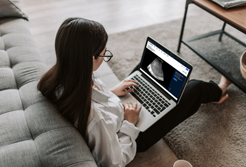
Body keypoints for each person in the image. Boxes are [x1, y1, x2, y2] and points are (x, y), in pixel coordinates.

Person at [37, 17, 231, 167]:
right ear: (89, 58)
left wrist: (112, 92)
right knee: (195, 88)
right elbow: (115, 162)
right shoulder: (95, 119)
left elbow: (94, 98)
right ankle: (218, 91)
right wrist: (129, 123)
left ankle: (178, 91)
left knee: (143, 71)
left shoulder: (66, 75)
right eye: (104, 54)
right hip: (134, 134)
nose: (105, 56)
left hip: (117, 111)